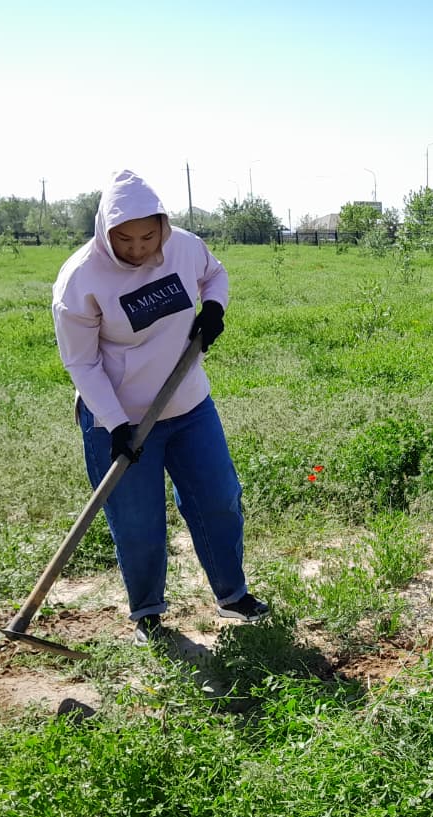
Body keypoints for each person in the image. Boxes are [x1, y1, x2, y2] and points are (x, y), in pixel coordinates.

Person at [52, 169, 268, 645]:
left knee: (219, 500)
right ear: (104, 232)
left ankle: (233, 596)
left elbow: (214, 274)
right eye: (123, 238)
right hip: (121, 418)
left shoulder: (185, 248)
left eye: (148, 235)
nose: (137, 247)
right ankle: (147, 612)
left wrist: (213, 308)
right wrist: (115, 424)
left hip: (188, 405)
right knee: (137, 520)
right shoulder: (81, 280)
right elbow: (82, 363)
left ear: (163, 226)